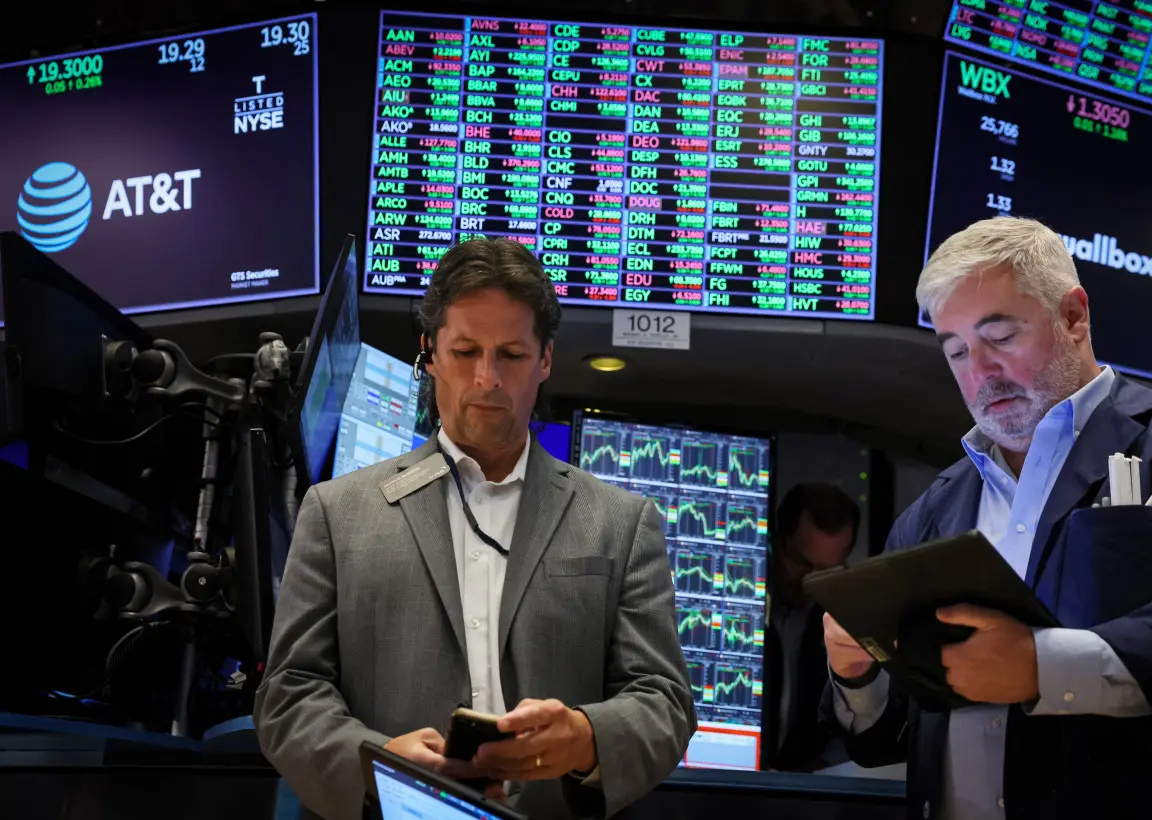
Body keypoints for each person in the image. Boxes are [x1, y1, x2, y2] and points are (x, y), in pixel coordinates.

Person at [255, 238, 697, 820]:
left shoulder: (622, 523)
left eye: (511, 354)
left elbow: (664, 702)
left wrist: (586, 735)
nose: (486, 378)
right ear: (429, 354)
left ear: (544, 361)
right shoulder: (338, 513)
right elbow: (288, 696)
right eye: (465, 352)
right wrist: (377, 759)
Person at [822, 216, 1152, 820]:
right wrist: (857, 673)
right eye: (957, 350)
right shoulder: (933, 510)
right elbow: (887, 739)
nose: (979, 372)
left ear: (1073, 316)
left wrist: (1043, 666)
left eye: (1001, 336)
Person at [761, 482, 859, 772]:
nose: (810, 582)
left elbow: (849, 727)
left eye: (826, 572)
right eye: (801, 563)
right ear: (776, 542)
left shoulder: (844, 625)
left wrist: (821, 765)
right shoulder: (737, 609)